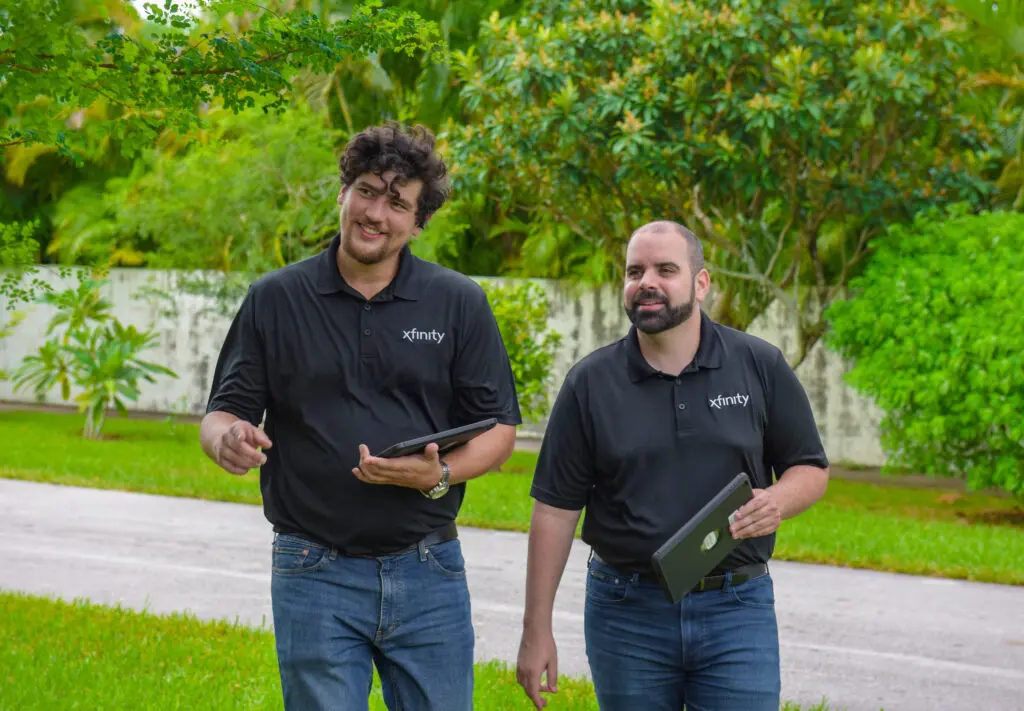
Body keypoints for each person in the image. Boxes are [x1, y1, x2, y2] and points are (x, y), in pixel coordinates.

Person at [200, 122, 522, 711]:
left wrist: (441, 475)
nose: (377, 212)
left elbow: (500, 426)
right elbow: (224, 412)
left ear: (418, 223)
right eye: (368, 190)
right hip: (312, 568)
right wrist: (226, 440)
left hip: (429, 565)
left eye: (398, 203)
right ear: (342, 193)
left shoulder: (457, 301)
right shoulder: (276, 297)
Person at [514, 220, 830, 711]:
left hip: (736, 607)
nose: (647, 282)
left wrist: (777, 502)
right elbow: (554, 511)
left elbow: (810, 468)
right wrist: (537, 630)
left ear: (701, 283)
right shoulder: (590, 383)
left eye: (666, 269)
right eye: (634, 270)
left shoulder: (758, 364)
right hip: (626, 613)